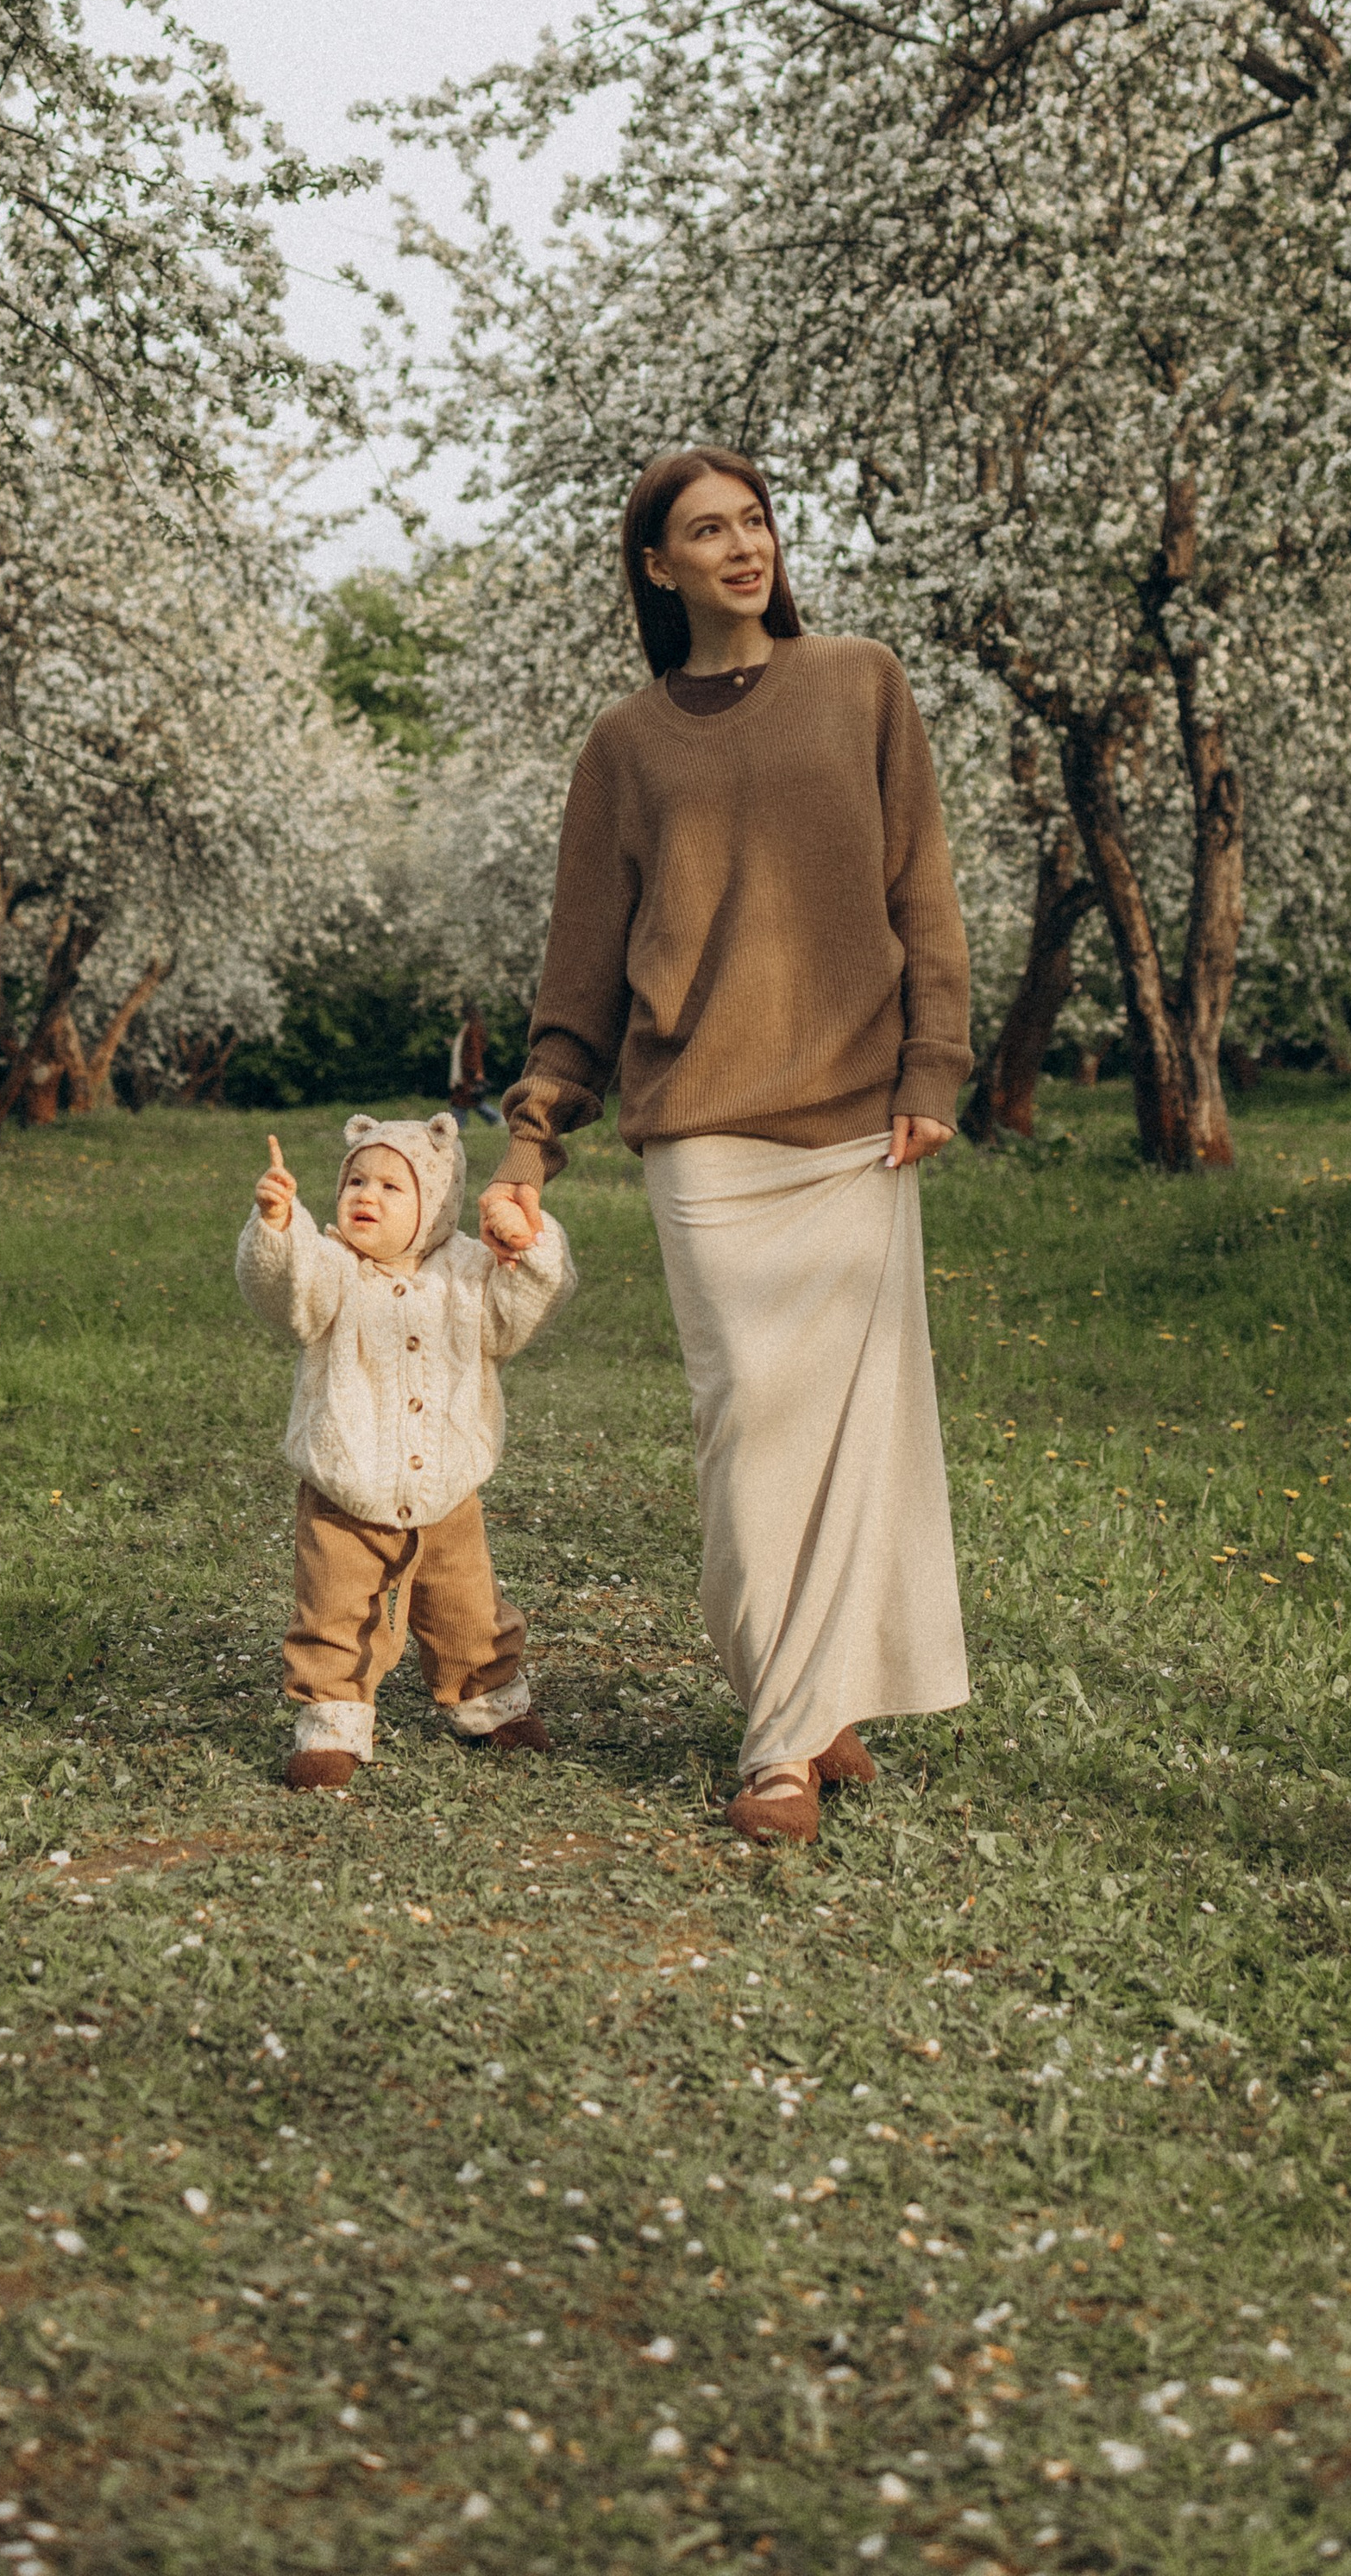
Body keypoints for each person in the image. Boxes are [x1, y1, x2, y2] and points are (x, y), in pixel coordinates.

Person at [480, 449, 972, 1846]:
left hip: (856, 1123)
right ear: (658, 567)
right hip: (702, 1132)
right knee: (750, 1423)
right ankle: (792, 1720)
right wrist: (533, 1137)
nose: (742, 545)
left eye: (753, 520)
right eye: (707, 530)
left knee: (851, 1438)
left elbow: (920, 888)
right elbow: (580, 971)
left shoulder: (862, 683)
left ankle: (796, 1733)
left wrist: (934, 1061)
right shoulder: (627, 746)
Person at [238, 1112, 575, 1789]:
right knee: (334, 1613)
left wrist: (526, 1244)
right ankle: (333, 1722)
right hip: (345, 1489)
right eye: (356, 1181)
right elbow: (287, 1291)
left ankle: (489, 1701)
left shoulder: (470, 1275)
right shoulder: (332, 1267)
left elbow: (530, 1302)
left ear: (438, 1202)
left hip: (448, 1487)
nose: (367, 1196)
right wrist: (278, 1229)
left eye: (393, 1187)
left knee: (467, 1609)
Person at [448, 1000, 501, 1126]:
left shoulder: (473, 1028)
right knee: (465, 1099)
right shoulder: (468, 1027)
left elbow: (475, 1050)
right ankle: (460, 1125)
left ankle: (496, 1118)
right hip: (465, 1070)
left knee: (468, 1099)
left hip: (468, 1070)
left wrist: (478, 1071)